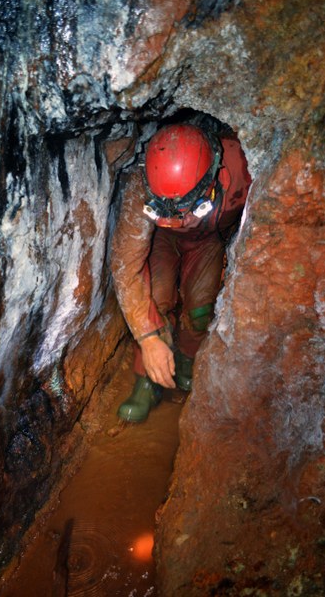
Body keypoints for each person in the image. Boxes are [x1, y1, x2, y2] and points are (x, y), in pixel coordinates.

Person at [111, 113, 251, 423]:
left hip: (208, 241)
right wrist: (148, 338)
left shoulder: (241, 167)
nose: (178, 219)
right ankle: (146, 380)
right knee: (155, 300)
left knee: (201, 306)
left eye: (188, 210)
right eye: (166, 211)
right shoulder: (142, 184)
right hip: (162, 242)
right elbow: (126, 264)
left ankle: (188, 361)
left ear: (213, 178)